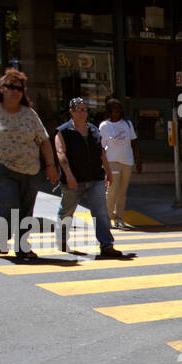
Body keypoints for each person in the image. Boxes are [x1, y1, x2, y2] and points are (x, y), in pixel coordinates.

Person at [0, 69, 58, 258]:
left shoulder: (29, 113)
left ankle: (22, 246)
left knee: (26, 210)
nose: (15, 91)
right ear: (1, 89)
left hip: (30, 170)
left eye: (19, 89)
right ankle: (0, 237)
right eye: (10, 87)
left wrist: (51, 165)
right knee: (9, 204)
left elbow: (44, 140)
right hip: (4, 169)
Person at [54, 97, 132, 259]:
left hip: (95, 178)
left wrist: (108, 172)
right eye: (78, 110)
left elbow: (102, 153)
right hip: (73, 180)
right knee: (67, 211)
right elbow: (61, 154)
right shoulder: (63, 131)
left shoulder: (93, 130)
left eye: (84, 110)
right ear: (71, 112)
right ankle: (61, 239)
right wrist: (68, 175)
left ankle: (106, 245)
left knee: (101, 213)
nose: (82, 113)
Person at [99, 98, 141, 229]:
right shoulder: (104, 126)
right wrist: (103, 165)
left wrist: (138, 161)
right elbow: (101, 148)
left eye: (119, 109)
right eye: (114, 109)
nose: (117, 111)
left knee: (122, 191)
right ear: (109, 111)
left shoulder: (127, 124)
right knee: (112, 190)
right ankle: (108, 217)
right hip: (112, 162)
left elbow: (134, 143)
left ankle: (119, 218)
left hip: (127, 162)